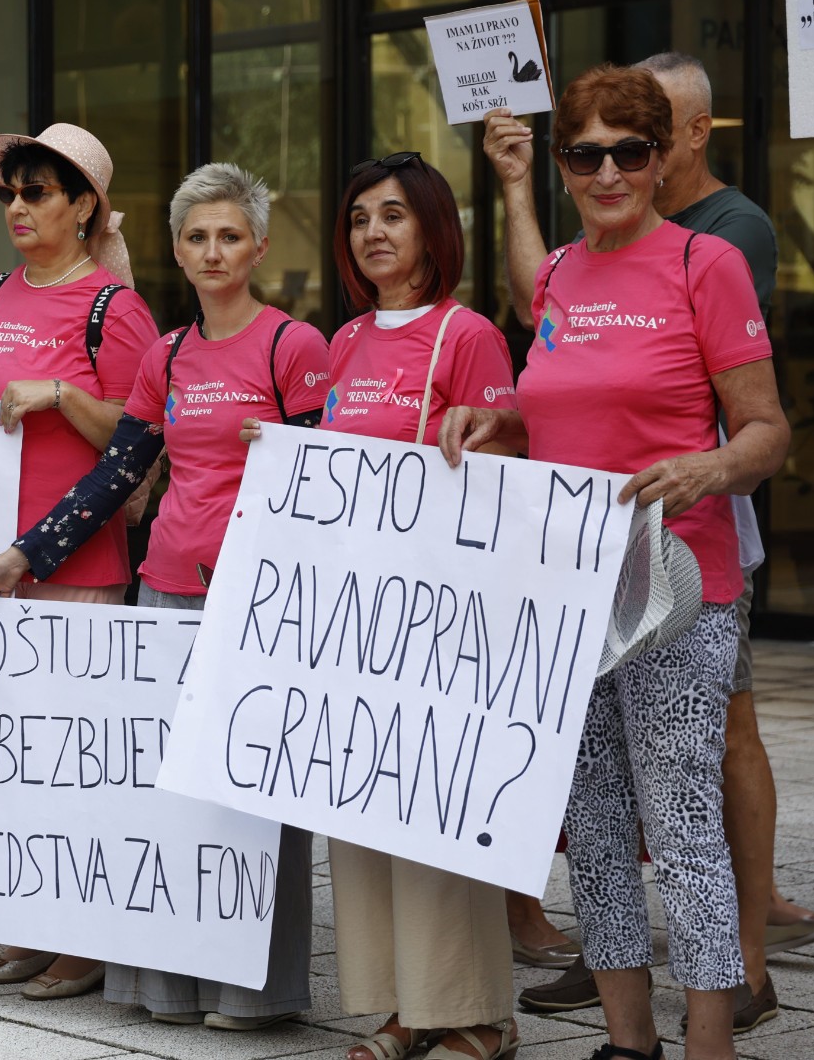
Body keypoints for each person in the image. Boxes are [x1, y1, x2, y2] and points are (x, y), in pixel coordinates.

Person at [443, 65, 789, 1060]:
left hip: (680, 589)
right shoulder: (553, 276)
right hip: (567, 591)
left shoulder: (702, 264)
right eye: (585, 154)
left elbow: (768, 430)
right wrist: (497, 417)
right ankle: (628, 1039)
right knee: (591, 826)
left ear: (661, 155)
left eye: (627, 152)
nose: (607, 173)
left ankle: (710, 1040)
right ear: (562, 164)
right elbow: (563, 415)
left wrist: (710, 466)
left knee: (683, 832)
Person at [0, 162, 327, 1028]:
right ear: (176, 249)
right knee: (171, 800)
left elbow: (332, 478)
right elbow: (117, 472)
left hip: (257, 601)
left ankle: (255, 994)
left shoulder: (294, 345)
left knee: (255, 796)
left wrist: (286, 446)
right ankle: (167, 988)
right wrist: (25, 553)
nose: (213, 251)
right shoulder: (166, 352)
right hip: (164, 593)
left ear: (260, 247)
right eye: (197, 237)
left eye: (230, 236)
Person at [310, 153, 521, 1060]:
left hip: (438, 616)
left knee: (434, 811)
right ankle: (400, 1007)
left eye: (394, 215)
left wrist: (487, 438)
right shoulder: (345, 341)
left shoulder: (466, 332)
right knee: (363, 813)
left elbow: (511, 459)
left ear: (433, 227)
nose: (374, 233)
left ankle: (475, 1012)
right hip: (351, 610)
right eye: (360, 218)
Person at [0, 123, 161, 1000]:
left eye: (38, 191)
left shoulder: (115, 306)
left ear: (84, 207)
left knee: (75, 758)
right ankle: (32, 922)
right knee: (13, 757)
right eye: (10, 192)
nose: (19, 206)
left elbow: (147, 434)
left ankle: (85, 939)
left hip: (72, 563)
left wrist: (65, 393)